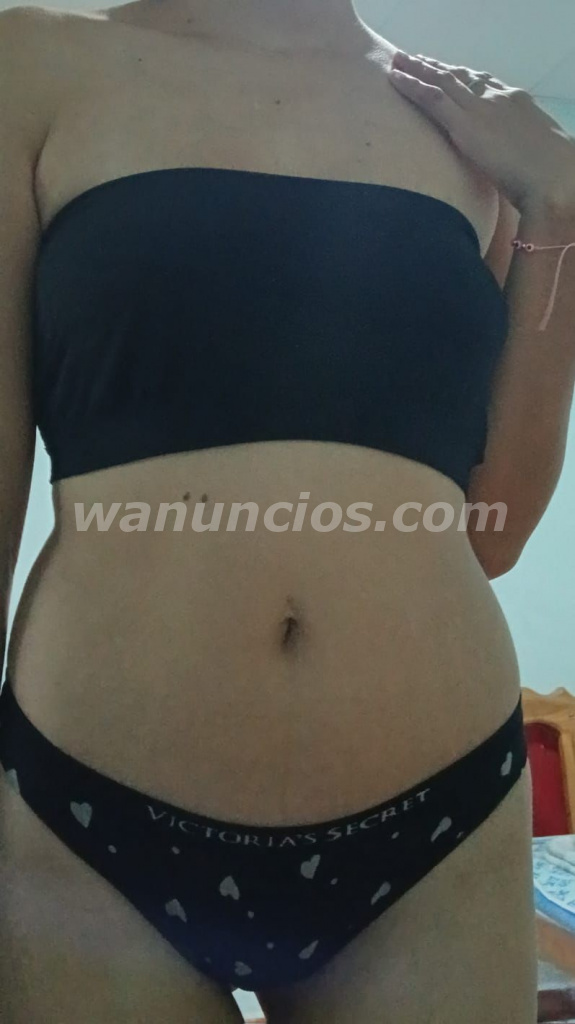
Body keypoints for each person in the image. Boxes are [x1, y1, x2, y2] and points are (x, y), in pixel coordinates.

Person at [0, 1, 574, 1020]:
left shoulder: (462, 121)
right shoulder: (33, 61)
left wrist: (557, 206)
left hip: (436, 830)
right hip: (88, 822)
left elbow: (492, 527)